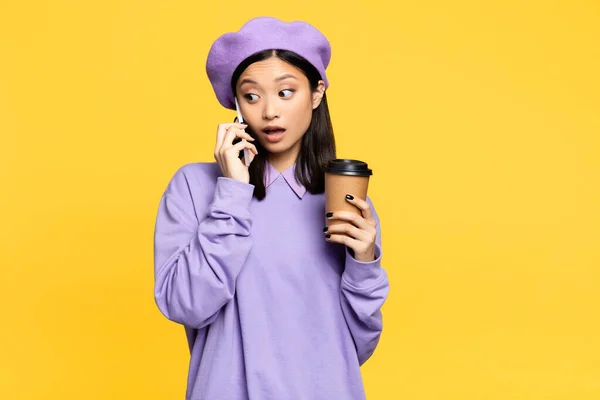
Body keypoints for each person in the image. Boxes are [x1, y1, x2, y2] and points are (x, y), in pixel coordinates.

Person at [153, 16, 389, 400]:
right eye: (251, 95)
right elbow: (187, 305)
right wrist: (232, 192)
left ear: (315, 94)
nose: (268, 112)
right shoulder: (195, 187)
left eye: (285, 92)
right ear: (237, 104)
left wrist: (364, 263)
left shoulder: (342, 195)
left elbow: (356, 346)